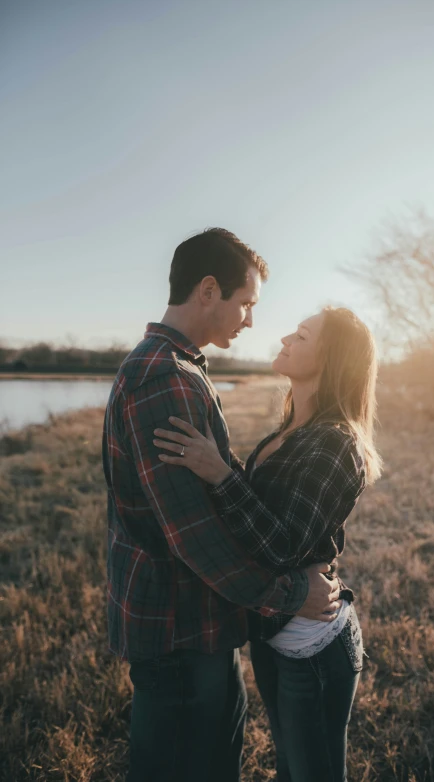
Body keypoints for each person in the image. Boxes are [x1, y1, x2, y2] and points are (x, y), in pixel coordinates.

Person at [101, 227, 345, 782]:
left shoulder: (175, 368)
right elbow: (198, 541)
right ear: (208, 290)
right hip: (181, 633)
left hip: (184, 627)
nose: (252, 320)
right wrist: (291, 595)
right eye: (247, 303)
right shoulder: (166, 381)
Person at [152, 305, 382, 782]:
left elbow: (281, 546)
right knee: (290, 769)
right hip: (276, 630)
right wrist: (222, 468)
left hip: (314, 643)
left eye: (301, 336)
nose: (284, 339)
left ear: (332, 358)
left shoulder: (335, 444)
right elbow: (258, 511)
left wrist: (219, 472)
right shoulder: (292, 431)